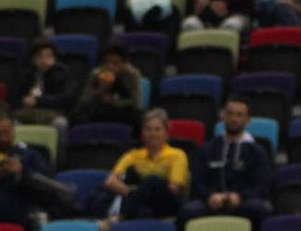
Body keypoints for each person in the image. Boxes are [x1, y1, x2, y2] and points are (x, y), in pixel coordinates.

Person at [0, 111, 73, 231]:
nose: (3, 138)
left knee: (41, 224)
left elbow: (48, 180)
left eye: (6, 133)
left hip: (21, 202)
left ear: (13, 131)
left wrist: (23, 172)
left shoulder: (28, 153)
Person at [182, 95, 273, 223]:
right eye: (230, 114)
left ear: (248, 120)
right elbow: (198, 182)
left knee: (258, 209)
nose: (234, 119)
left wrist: (240, 196)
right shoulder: (207, 149)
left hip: (244, 201)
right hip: (211, 201)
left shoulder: (257, 151)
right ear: (223, 116)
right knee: (189, 211)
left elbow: (262, 185)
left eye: (239, 115)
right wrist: (210, 196)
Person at [103, 109, 190, 222]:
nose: (152, 133)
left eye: (157, 129)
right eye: (148, 129)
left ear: (166, 133)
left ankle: (118, 219)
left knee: (153, 181)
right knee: (143, 212)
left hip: (167, 203)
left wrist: (142, 191)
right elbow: (110, 181)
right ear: (142, 133)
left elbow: (174, 189)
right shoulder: (133, 155)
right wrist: (134, 193)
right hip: (141, 203)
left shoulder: (178, 155)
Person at [71, 43, 143, 129]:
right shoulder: (96, 74)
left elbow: (137, 104)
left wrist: (113, 101)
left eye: (115, 63)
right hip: (98, 110)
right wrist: (99, 91)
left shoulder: (132, 75)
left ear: (125, 63)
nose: (110, 66)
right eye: (107, 62)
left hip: (122, 112)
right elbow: (82, 103)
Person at [14, 38, 76, 126]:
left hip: (53, 113)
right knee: (12, 122)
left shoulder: (62, 73)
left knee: (61, 123)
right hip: (29, 113)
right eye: (39, 56)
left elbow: (67, 98)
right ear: (33, 59)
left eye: (49, 56)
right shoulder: (26, 74)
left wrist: (38, 101)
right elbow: (15, 96)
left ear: (54, 58)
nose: (44, 60)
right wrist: (24, 100)